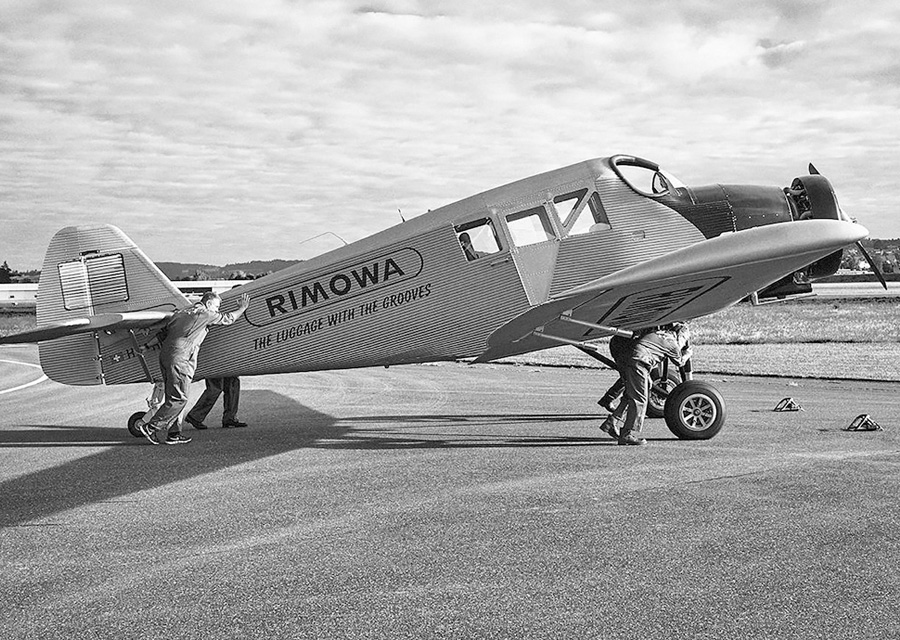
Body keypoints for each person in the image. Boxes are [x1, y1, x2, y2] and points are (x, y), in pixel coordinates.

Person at [138, 291, 250, 445]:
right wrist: (242, 308)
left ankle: (173, 434)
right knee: (179, 398)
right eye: (216, 307)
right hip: (180, 359)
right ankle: (151, 427)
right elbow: (228, 319)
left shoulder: (183, 312)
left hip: (166, 356)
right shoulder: (205, 314)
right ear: (209, 303)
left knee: (173, 396)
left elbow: (163, 334)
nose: (217, 310)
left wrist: (145, 346)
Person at [600, 323, 691, 446]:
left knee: (632, 393)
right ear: (680, 336)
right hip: (639, 363)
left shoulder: (657, 333)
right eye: (684, 339)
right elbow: (680, 362)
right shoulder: (672, 343)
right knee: (640, 399)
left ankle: (612, 421)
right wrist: (688, 353)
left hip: (630, 358)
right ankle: (626, 434)